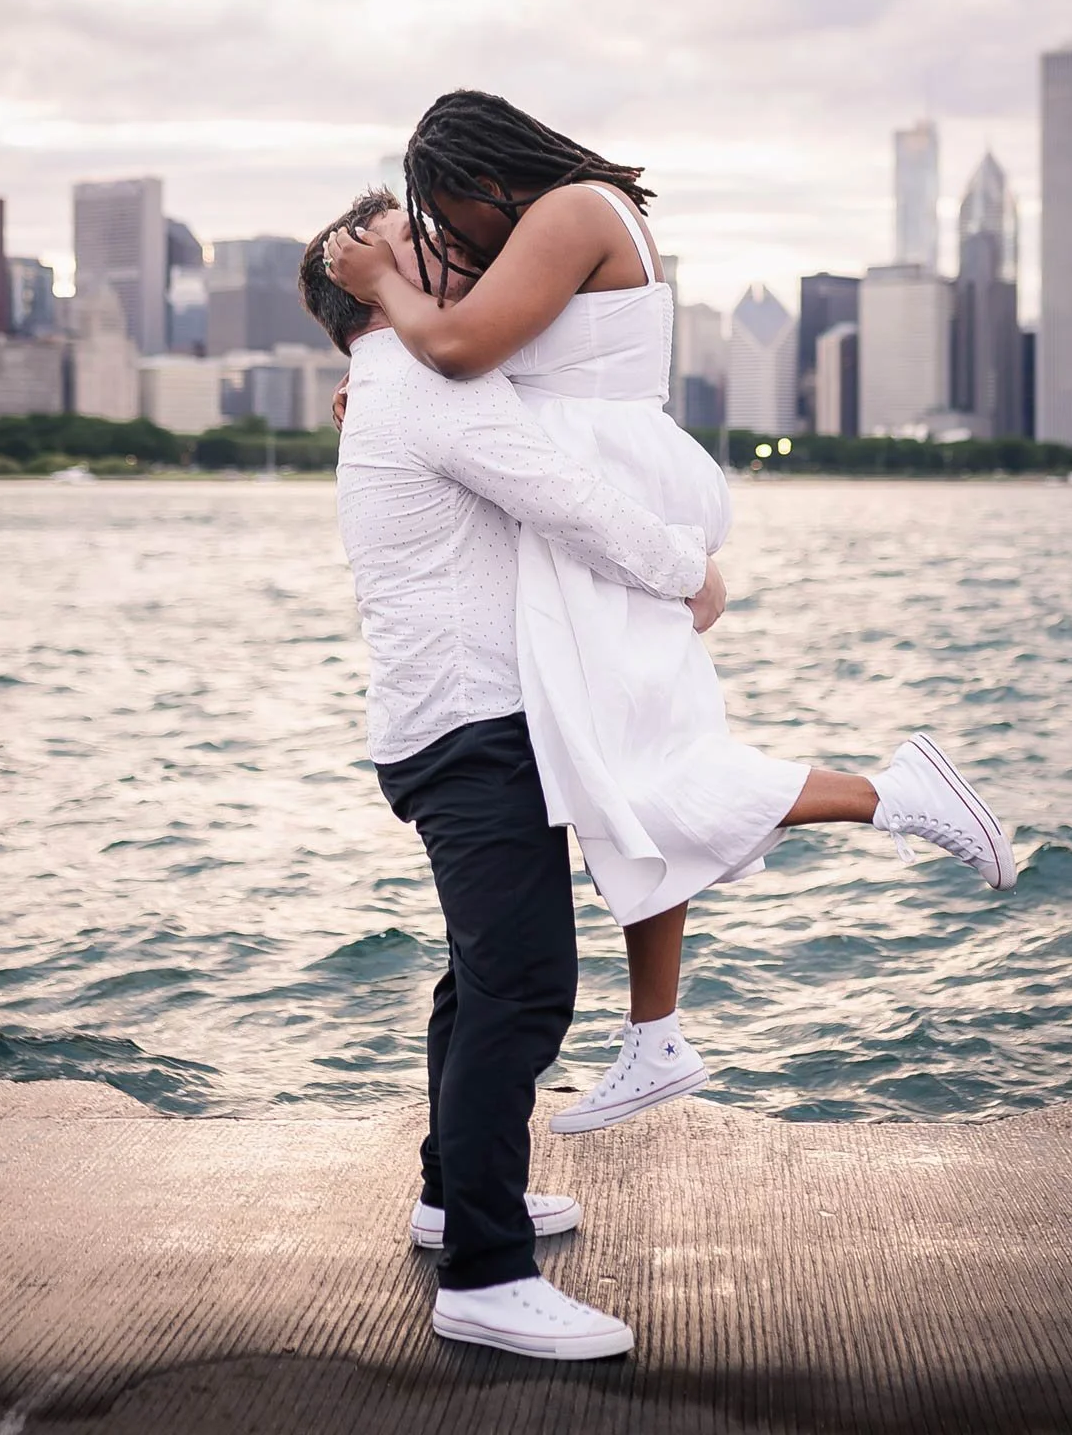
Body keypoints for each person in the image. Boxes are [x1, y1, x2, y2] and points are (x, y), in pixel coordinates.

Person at [325, 89, 1018, 1135]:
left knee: (645, 767)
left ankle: (889, 793)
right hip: (592, 496)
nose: (445, 243)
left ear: (474, 180)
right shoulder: (571, 219)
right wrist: (385, 376)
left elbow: (464, 348)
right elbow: (468, 356)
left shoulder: (567, 212)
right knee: (629, 767)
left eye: (438, 215)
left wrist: (383, 288)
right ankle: (654, 1034)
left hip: (595, 500)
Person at [300, 185, 729, 1361]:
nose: (442, 255)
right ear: (360, 284)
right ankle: (485, 1276)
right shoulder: (424, 383)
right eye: (413, 244)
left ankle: (453, 1198)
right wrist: (688, 571)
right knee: (524, 989)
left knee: (475, 979)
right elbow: (569, 499)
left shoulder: (409, 385)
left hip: (455, 726)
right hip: (470, 734)